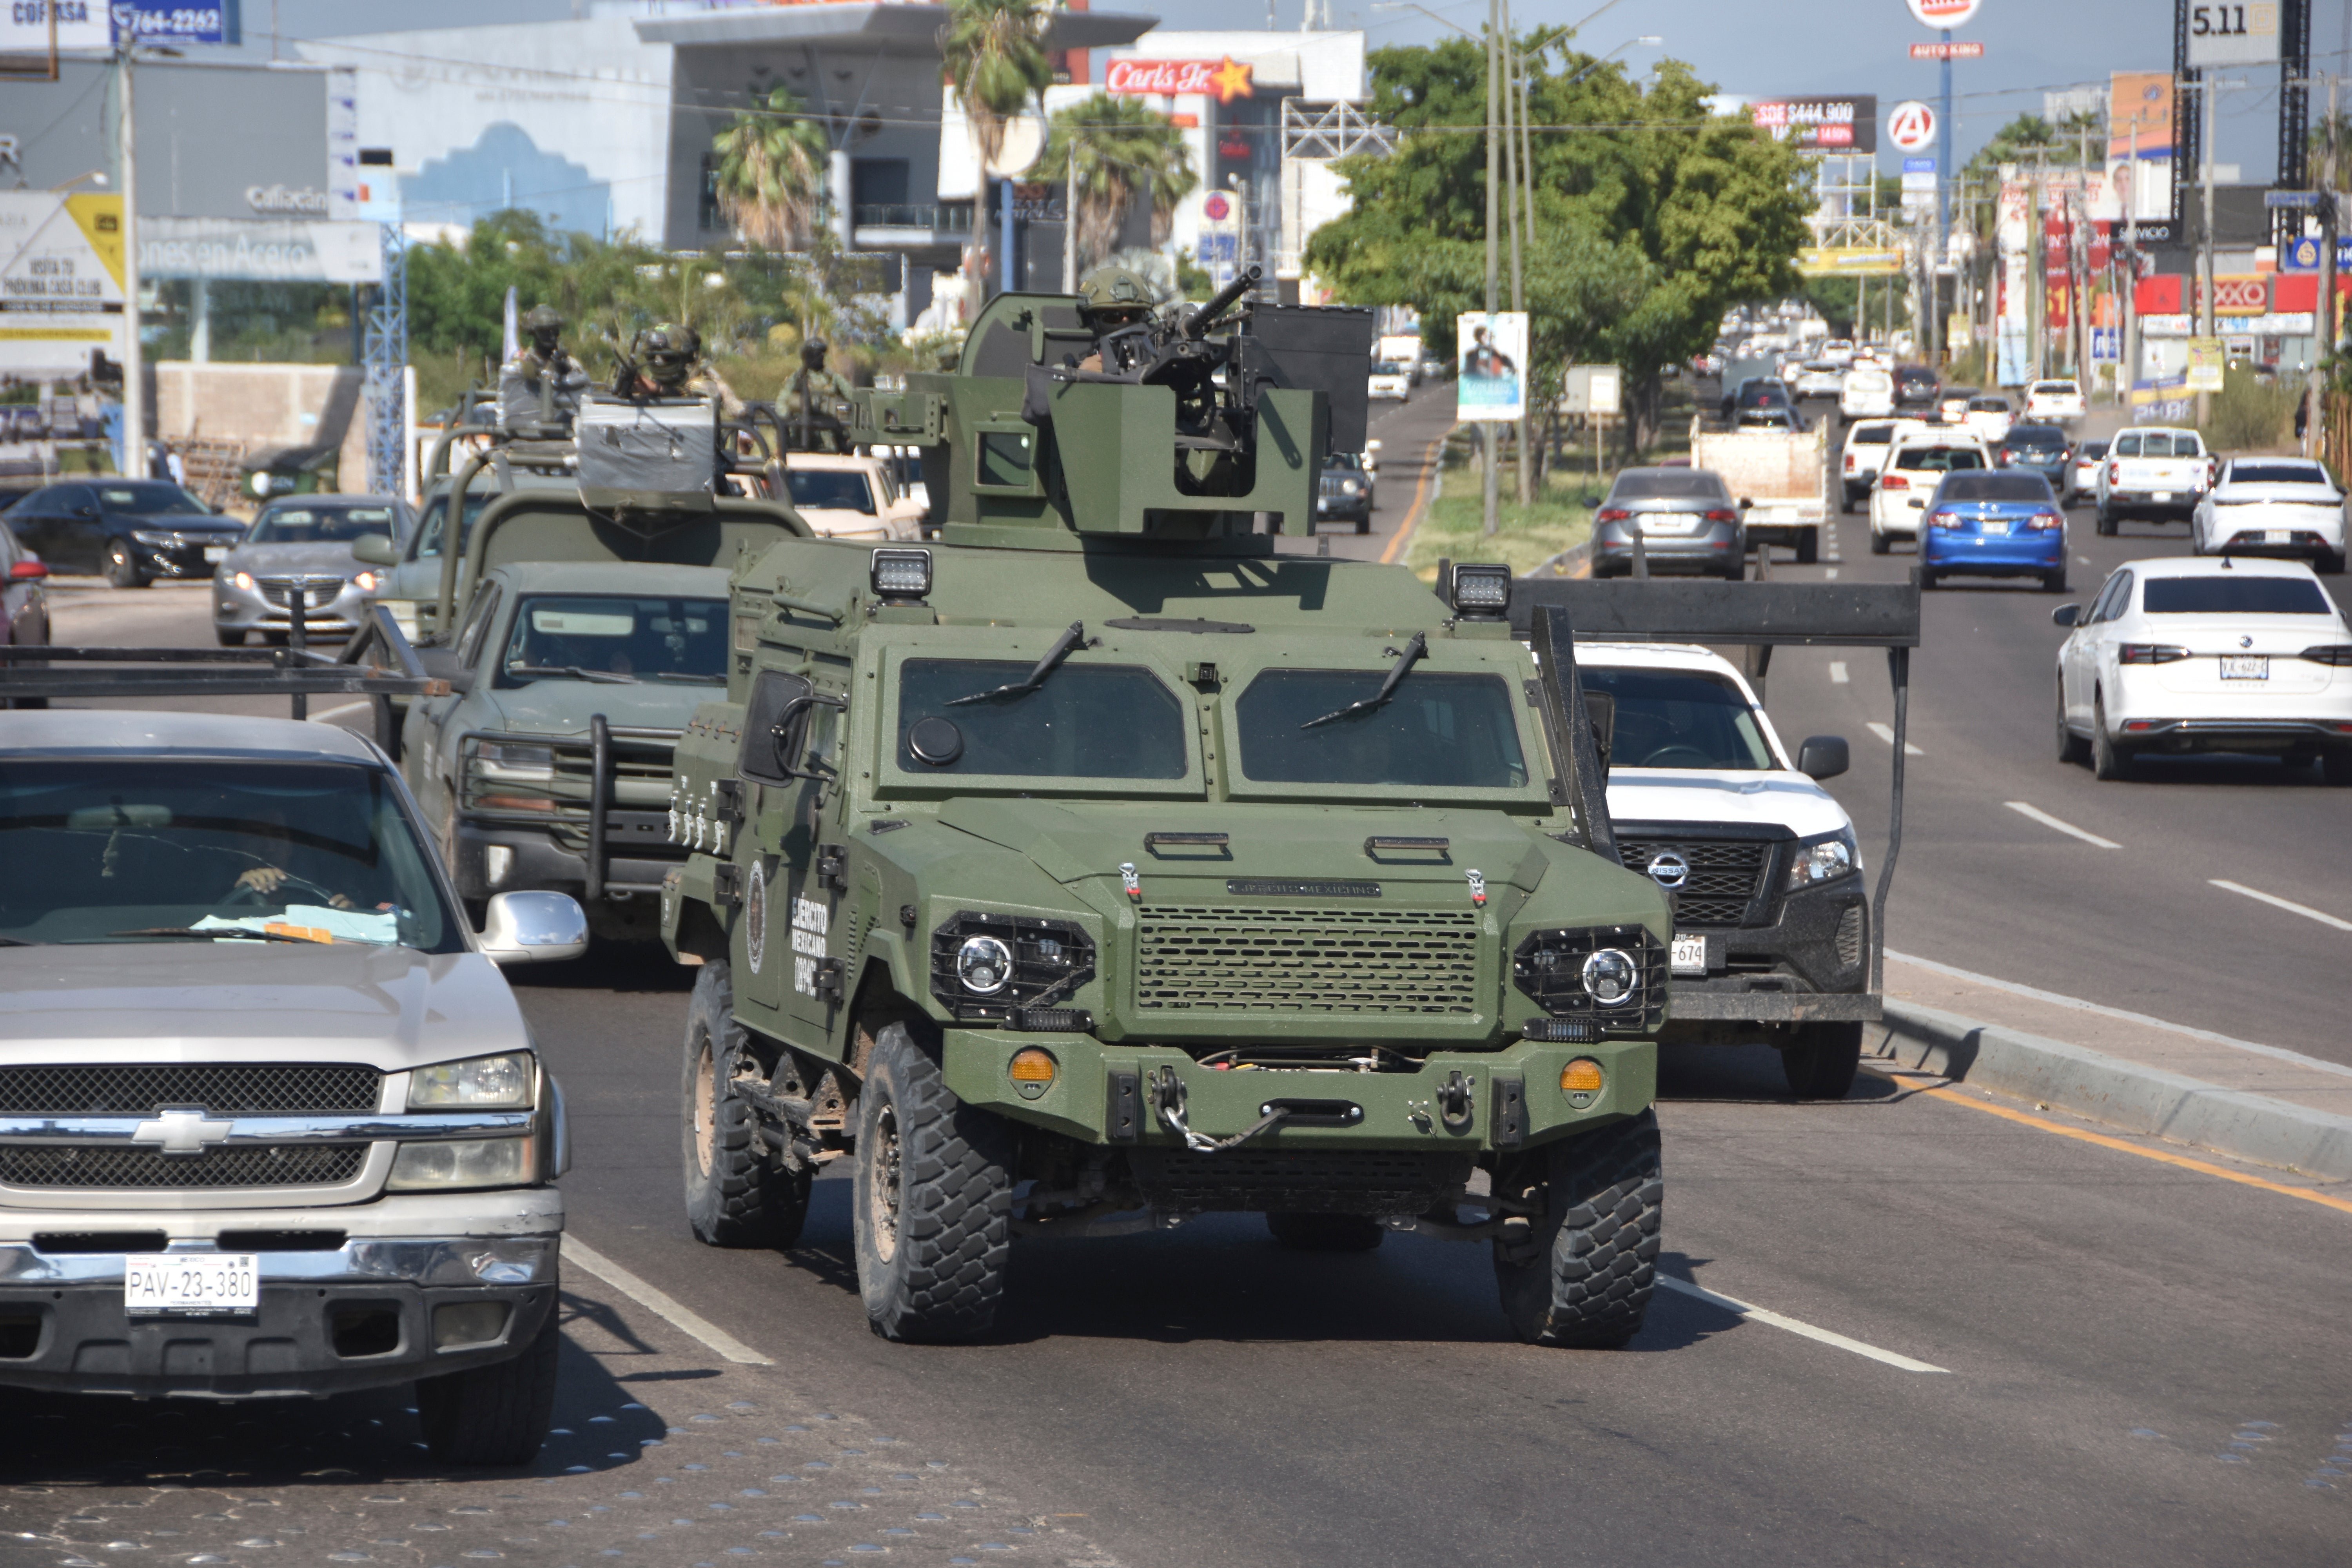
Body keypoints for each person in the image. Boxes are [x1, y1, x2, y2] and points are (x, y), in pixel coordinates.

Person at [615, 322, 743, 416]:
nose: (659, 363)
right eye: (653, 358)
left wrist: (658, 389)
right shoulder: (650, 383)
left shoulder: (700, 380)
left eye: (667, 359)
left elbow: (707, 392)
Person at [510, 303, 589, 425]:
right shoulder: (521, 362)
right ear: (533, 332)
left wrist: (564, 370)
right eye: (544, 331)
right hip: (527, 426)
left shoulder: (571, 363)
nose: (551, 336)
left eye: (554, 331)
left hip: (565, 427)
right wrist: (543, 370)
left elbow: (582, 391)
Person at [1073, 266, 1159, 373]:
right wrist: (1081, 378)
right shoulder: (1081, 370)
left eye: (1135, 314)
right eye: (1113, 315)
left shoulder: (1158, 361)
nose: (1125, 320)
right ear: (1090, 319)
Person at [777, 338, 855, 452]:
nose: (819, 357)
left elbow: (854, 397)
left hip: (829, 435)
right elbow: (782, 402)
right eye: (814, 354)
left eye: (821, 353)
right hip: (801, 436)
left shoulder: (833, 378)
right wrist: (789, 421)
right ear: (806, 356)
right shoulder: (798, 378)